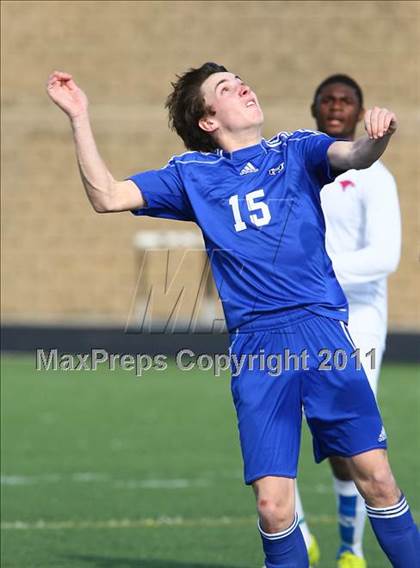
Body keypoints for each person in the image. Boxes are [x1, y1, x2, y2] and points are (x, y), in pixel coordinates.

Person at [46, 64, 419, 568]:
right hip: (258, 349)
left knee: (376, 480)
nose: (242, 86)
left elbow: (354, 154)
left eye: (240, 80)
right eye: (225, 87)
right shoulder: (190, 175)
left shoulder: (296, 149)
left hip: (321, 332)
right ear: (207, 119)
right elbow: (106, 196)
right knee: (271, 507)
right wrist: (79, 116)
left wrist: (378, 138)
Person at [294, 75, 402, 568]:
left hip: (358, 318)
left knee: (349, 438)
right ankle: (295, 530)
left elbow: (384, 256)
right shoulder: (300, 166)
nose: (336, 107)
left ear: (358, 111)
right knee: (280, 412)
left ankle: (350, 549)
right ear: (315, 108)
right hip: (302, 313)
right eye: (328, 100)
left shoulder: (375, 177)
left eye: (346, 101)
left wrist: (319, 273)